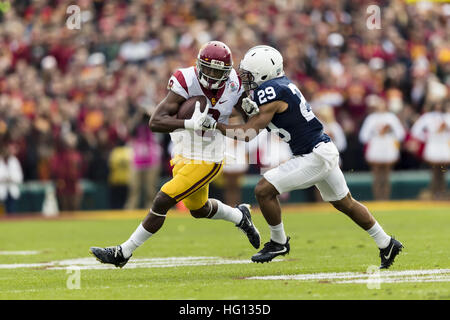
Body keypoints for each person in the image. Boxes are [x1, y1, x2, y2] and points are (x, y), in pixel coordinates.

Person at [210, 45, 403, 269]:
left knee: (263, 190)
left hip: (314, 154)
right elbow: (261, 119)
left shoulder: (270, 90)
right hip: (320, 150)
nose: (246, 79)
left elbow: (247, 133)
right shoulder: (279, 86)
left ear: (263, 73)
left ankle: (278, 242)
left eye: (249, 75)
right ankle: (387, 243)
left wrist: (216, 125)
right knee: (345, 203)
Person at [90, 41, 260, 267]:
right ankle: (241, 217)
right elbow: (156, 122)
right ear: (199, 64)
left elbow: (248, 129)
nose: (209, 75)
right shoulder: (186, 79)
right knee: (199, 209)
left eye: (216, 71)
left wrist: (251, 112)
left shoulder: (234, 85)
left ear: (227, 72)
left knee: (163, 199)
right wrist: (190, 123)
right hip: (183, 150)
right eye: (206, 68)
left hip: (209, 155)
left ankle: (123, 253)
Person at [359, 95, 406, 200]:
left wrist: (389, 132)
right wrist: (375, 135)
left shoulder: (391, 117)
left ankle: (385, 198)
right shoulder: (371, 118)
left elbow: (400, 134)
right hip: (376, 147)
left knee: (387, 175)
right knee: (376, 175)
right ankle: (377, 197)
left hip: (388, 147)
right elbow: (363, 136)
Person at [410, 100, 450, 200]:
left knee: (443, 171)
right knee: (435, 171)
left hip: (444, 146)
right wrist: (426, 137)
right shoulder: (428, 117)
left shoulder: (447, 117)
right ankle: (434, 191)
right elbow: (416, 130)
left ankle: (442, 192)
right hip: (433, 146)